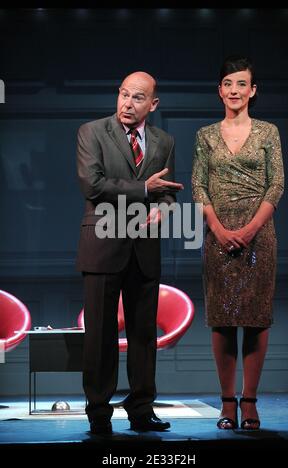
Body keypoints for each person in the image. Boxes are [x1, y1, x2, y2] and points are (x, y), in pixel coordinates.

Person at [76, 71, 184, 434]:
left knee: (143, 336)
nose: (127, 103)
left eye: (137, 97)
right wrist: (143, 190)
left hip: (144, 249)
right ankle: (99, 413)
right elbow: (93, 185)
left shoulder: (164, 141)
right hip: (103, 246)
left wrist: (164, 207)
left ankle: (141, 410)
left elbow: (167, 190)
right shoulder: (92, 132)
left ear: (152, 104)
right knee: (100, 337)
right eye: (123, 94)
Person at [192, 55, 284, 430]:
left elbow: (276, 184)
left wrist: (249, 231)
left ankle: (250, 404)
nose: (234, 90)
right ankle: (227, 404)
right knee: (222, 321)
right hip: (217, 238)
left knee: (257, 320)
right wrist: (217, 228)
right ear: (220, 90)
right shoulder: (205, 135)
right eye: (228, 83)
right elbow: (198, 185)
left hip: (259, 238)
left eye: (241, 84)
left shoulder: (268, 132)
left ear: (253, 91)